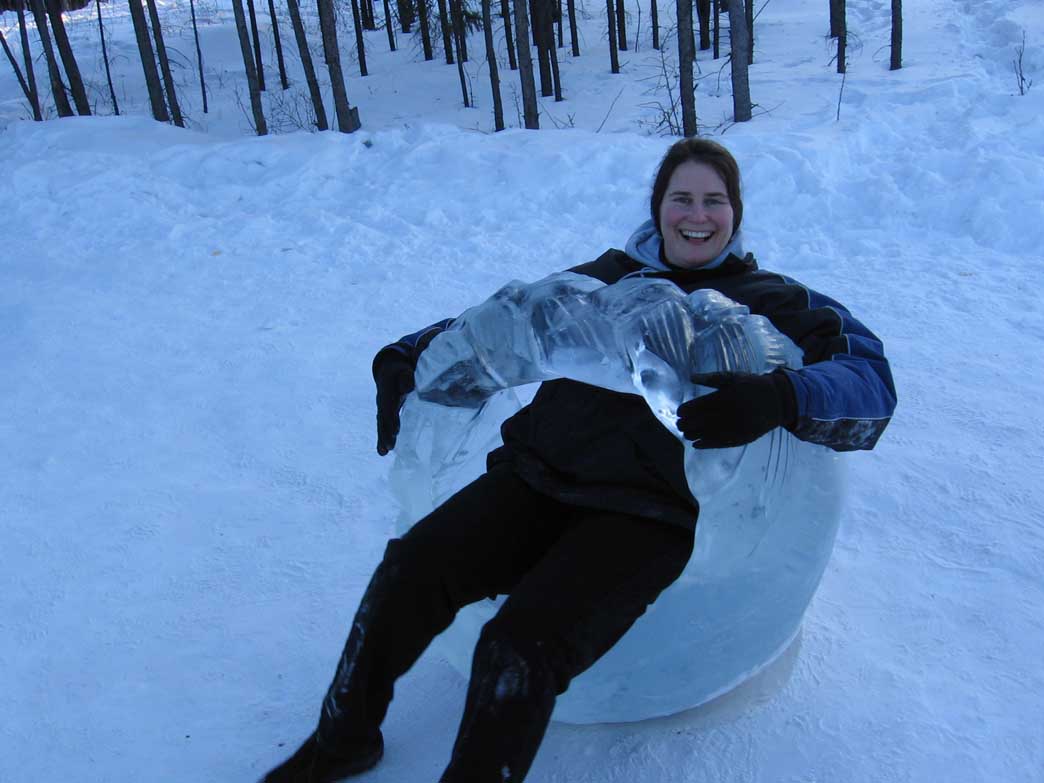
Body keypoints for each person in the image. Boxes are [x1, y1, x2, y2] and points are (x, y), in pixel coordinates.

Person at [260, 138, 897, 783]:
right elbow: (509, 320)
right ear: (659, 208)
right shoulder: (610, 273)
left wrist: (781, 395)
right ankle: (343, 740)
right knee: (409, 570)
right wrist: (410, 352)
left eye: (714, 201)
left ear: (735, 213)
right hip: (537, 477)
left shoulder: (776, 301)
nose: (696, 216)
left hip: (652, 513)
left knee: (518, 645)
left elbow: (870, 380)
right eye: (682, 199)